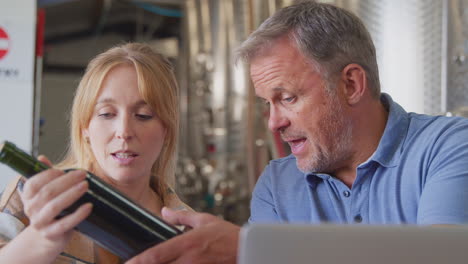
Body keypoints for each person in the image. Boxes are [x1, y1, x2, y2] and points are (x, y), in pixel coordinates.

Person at [126, 1, 468, 264]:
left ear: (350, 84)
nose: (274, 122)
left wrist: (254, 250)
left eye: (287, 98)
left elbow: (445, 257)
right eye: (266, 104)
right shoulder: (278, 185)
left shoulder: (449, 147)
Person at [0, 43, 190, 263]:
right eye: (107, 114)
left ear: (167, 129)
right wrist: (42, 239)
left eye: (143, 115)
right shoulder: (33, 196)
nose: (124, 132)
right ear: (85, 127)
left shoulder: (188, 231)